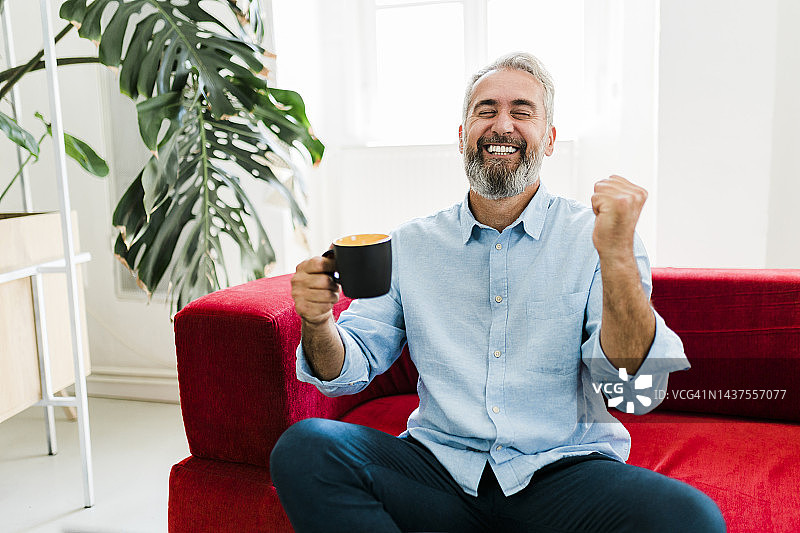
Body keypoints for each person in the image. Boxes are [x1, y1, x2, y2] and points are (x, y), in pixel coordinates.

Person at [271, 52, 726, 533]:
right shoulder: (410, 244)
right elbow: (344, 373)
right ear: (463, 135)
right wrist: (318, 321)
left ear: (549, 139)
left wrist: (614, 258)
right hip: (438, 472)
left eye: (522, 111)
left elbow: (633, 391)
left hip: (561, 477)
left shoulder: (599, 237)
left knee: (689, 519)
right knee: (306, 447)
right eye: (485, 110)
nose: (501, 124)